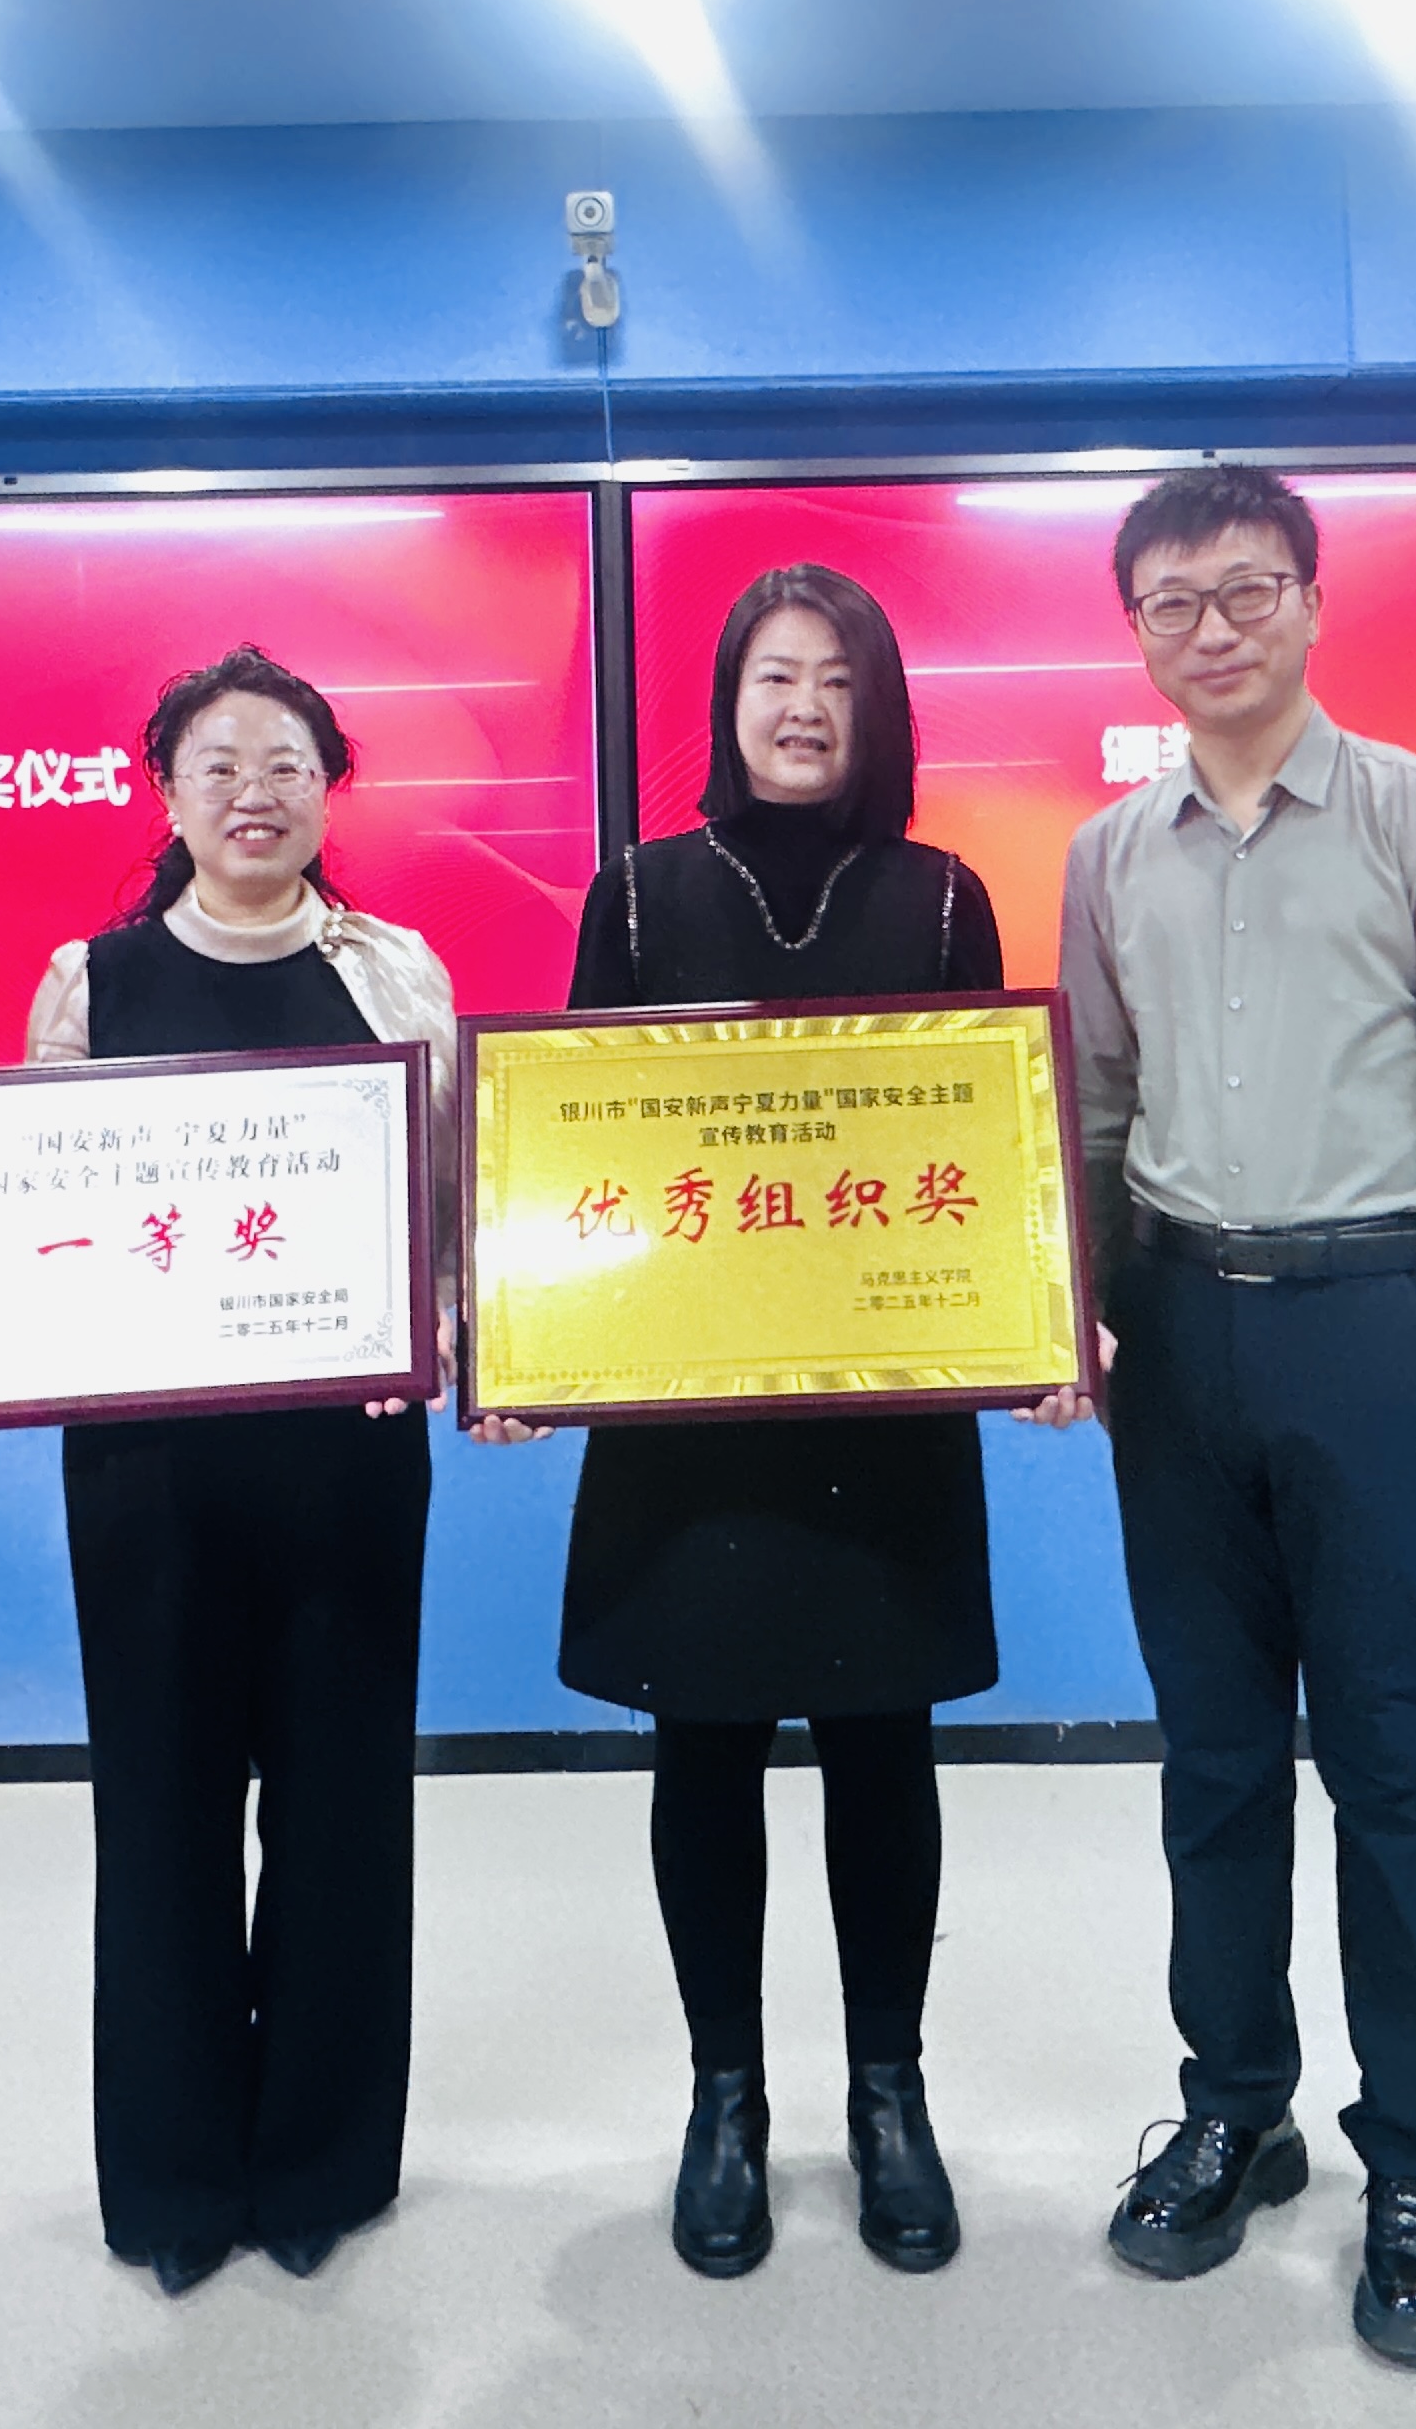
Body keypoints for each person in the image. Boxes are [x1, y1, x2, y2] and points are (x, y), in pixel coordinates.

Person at [1041, 464, 1416, 2373]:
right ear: (1137, 634)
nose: (1212, 629)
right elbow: (1097, 1108)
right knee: (1215, 1757)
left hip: (1373, 1325)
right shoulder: (1111, 852)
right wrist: (1072, 1308)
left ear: (1313, 603)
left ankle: (1414, 2165)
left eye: (1246, 589)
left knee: (1398, 1762)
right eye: (1170, 604)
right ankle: (1236, 2109)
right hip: (1178, 1338)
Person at [0, 644, 457, 2299]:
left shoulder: (394, 977)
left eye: (286, 766)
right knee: (162, 1807)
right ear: (169, 794)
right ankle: (178, 2179)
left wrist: (451, 1332)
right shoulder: (94, 981)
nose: (254, 794)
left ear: (329, 791)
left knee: (343, 1809)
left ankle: (322, 2163)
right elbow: (22, 1212)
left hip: (348, 1456)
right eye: (220, 766)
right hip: (149, 1475)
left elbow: (452, 1208)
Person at [468, 564, 1011, 2281]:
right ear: (727, 700)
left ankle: (888, 2093)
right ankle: (726, 2099)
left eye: (836, 681)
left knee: (882, 1748)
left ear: (878, 709)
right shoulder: (636, 895)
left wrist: (1038, 1310)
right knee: (700, 1749)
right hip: (686, 1418)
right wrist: (529, 1343)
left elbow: (988, 1159)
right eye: (775, 675)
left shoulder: (943, 897)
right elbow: (577, 1158)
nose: (802, 709)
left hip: (883, 1409)